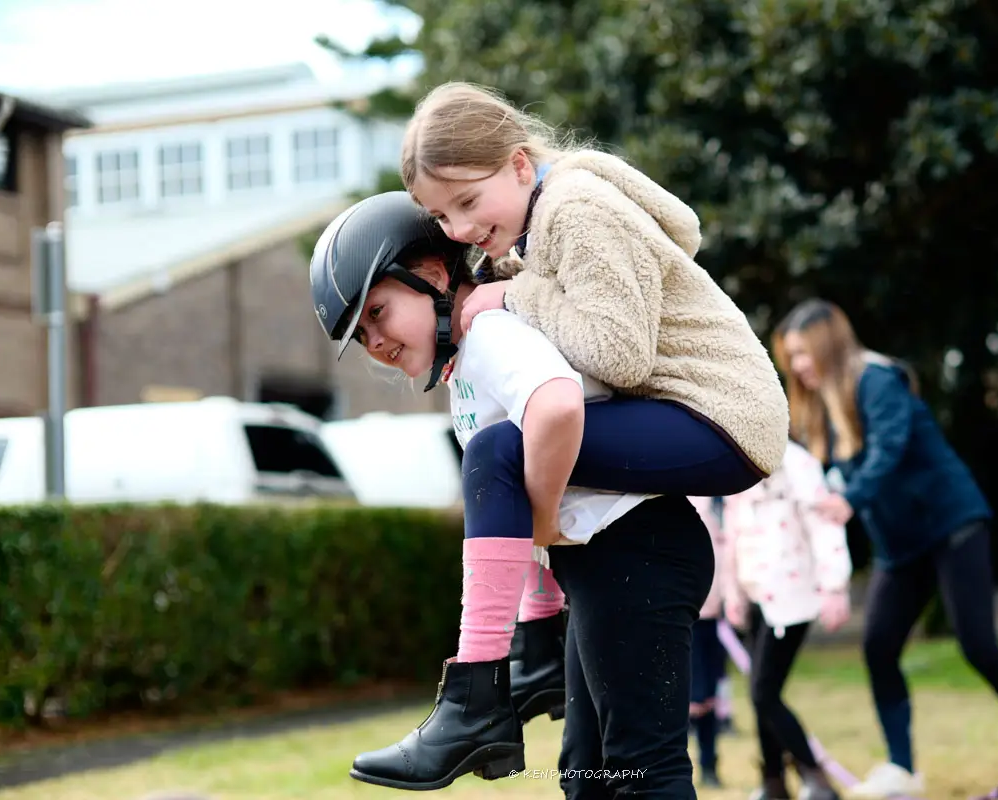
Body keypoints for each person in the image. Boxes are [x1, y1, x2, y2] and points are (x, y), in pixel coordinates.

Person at [393, 81, 790, 735]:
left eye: (467, 200)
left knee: (499, 450)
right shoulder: (541, 222)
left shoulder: (575, 209)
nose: (461, 229)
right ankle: (540, 648)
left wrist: (516, 299)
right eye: (442, 218)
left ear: (520, 164)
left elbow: (619, 353)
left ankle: (488, 680)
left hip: (723, 417)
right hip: (697, 415)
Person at [308, 191, 718, 795]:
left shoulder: (492, 333)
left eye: (378, 312)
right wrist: (541, 617)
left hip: (637, 552)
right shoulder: (463, 373)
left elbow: (557, 404)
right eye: (360, 334)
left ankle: (474, 696)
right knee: (588, 776)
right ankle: (529, 657)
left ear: (430, 274)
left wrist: (545, 518)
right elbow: (510, 512)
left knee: (643, 769)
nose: (375, 341)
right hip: (602, 566)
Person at [773, 299, 998, 799]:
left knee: (978, 645)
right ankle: (902, 771)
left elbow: (888, 450)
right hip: (901, 544)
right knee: (879, 647)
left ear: (827, 343)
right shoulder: (819, 403)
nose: (798, 367)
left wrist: (849, 499)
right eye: (791, 358)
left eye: (803, 353)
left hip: (952, 524)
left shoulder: (876, 380)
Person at [721, 440, 853, 800]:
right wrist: (732, 592)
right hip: (754, 594)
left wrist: (834, 585)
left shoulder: (798, 463)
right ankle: (773, 780)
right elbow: (732, 531)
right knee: (760, 692)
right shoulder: (737, 461)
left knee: (764, 692)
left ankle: (817, 778)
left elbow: (824, 524)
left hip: (791, 595)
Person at [688, 496, 730, 789]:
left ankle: (709, 765)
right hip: (678, 614)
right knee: (683, 700)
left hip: (710, 613)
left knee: (708, 697)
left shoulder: (717, 498)